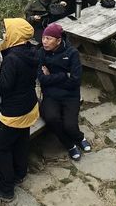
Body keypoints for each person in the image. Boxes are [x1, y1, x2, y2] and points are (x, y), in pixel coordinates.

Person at [0, 18, 39, 202]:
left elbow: (3, 87)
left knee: (1, 149)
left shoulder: (12, 59)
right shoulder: (31, 50)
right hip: (29, 105)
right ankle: (19, 173)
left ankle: (6, 189)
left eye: (6, 31)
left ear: (15, 34)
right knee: (21, 141)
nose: (4, 34)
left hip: (13, 112)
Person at [36, 23, 91, 161]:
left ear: (59, 40)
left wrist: (51, 76)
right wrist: (63, 75)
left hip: (70, 95)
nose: (44, 41)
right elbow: (42, 79)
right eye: (43, 38)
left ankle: (80, 137)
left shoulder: (72, 53)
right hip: (51, 95)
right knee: (51, 118)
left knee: (70, 125)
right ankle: (70, 144)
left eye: (49, 38)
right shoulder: (41, 52)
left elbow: (75, 81)